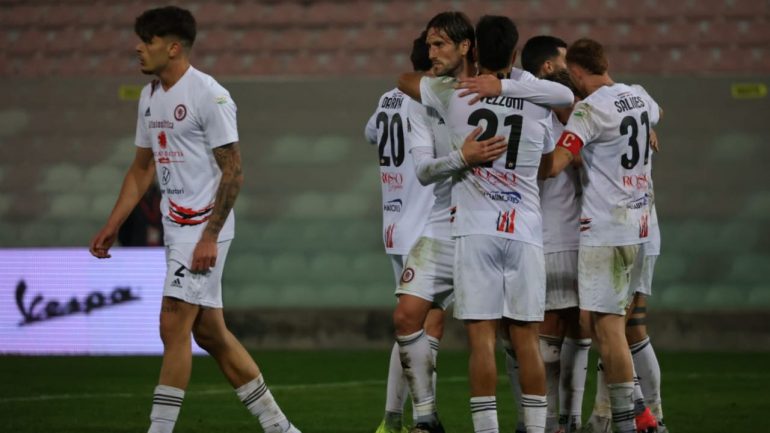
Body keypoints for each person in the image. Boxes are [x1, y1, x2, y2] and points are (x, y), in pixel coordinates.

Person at [89, 7, 300, 433]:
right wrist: (113, 223)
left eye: (146, 41)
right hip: (175, 225)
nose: (137, 47)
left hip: (205, 228)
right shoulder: (150, 97)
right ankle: (279, 427)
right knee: (210, 334)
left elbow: (234, 171)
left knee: (172, 321)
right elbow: (142, 169)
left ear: (172, 47)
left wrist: (209, 237)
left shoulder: (209, 95)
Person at [404, 15, 573, 433]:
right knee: (526, 341)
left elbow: (405, 81)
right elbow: (552, 154)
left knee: (481, 342)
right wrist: (510, 86)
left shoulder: (454, 94)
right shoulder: (539, 101)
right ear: (516, 55)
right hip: (526, 233)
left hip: (476, 231)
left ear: (474, 50)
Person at [394, 12, 507, 433]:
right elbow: (423, 170)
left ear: (466, 47)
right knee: (406, 316)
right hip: (441, 222)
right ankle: (426, 417)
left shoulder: (497, 92)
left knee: (509, 335)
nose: (431, 52)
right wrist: (462, 158)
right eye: (429, 44)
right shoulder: (424, 100)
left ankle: (545, 421)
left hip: (487, 223)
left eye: (440, 44)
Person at [547, 38, 662, 433]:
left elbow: (556, 163)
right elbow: (656, 115)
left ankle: (631, 425)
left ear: (577, 72)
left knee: (609, 330)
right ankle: (643, 414)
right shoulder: (639, 97)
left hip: (606, 231)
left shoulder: (589, 110)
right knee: (604, 325)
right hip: (641, 228)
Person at [365, 31, 439, 433]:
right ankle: (417, 419)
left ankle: (394, 419)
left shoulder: (387, 98)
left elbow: (371, 133)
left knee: (411, 330)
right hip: (425, 228)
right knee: (428, 329)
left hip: (394, 224)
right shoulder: (428, 101)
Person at [520, 35, 592, 433]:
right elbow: (562, 161)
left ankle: (569, 421)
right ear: (548, 68)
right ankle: (550, 423)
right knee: (550, 331)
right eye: (565, 60)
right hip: (550, 235)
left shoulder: (568, 110)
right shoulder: (542, 114)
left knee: (578, 328)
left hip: (572, 234)